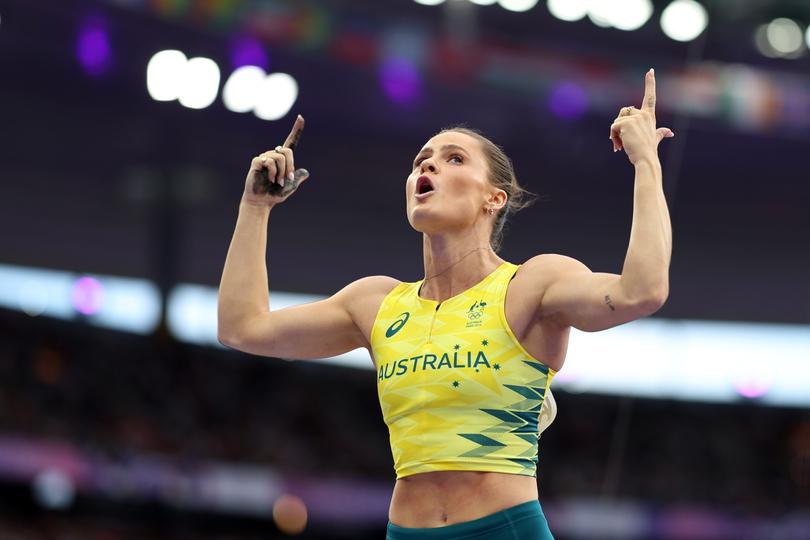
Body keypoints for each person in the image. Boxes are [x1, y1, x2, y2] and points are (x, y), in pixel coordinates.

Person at [217, 68, 673, 539]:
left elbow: (641, 291)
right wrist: (255, 209)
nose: (427, 167)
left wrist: (646, 162)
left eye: (453, 159)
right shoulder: (375, 303)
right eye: (421, 161)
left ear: (494, 198)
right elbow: (242, 328)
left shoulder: (531, 286)